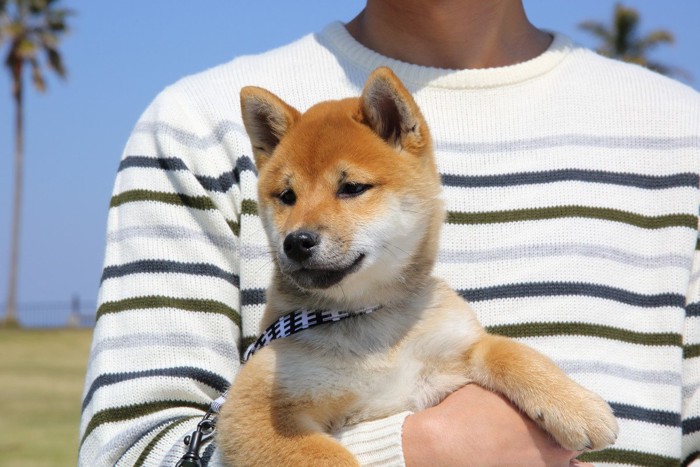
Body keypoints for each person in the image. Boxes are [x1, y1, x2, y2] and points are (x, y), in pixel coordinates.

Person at [78, 0, 700, 465]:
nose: (303, 227)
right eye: (287, 197)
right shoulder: (190, 126)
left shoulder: (682, 135)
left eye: (351, 190)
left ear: (400, 128)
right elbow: (130, 450)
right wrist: (409, 451)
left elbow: (481, 353)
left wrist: (535, 381)